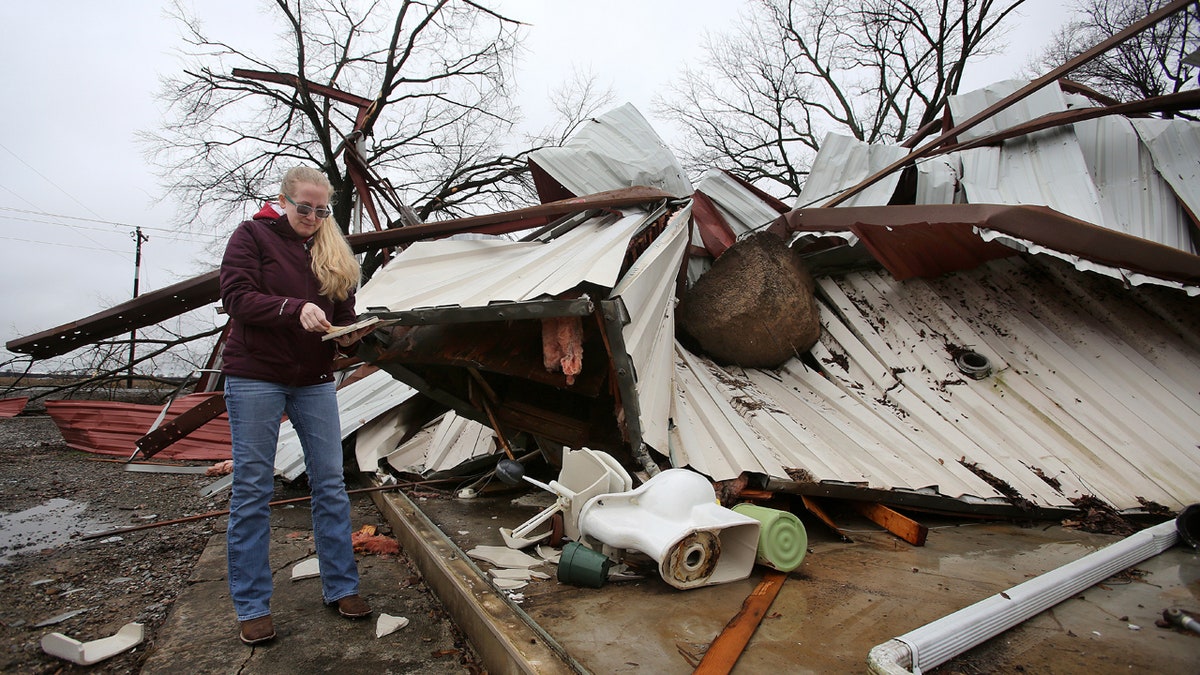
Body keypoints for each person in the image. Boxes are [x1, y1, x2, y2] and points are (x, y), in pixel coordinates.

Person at [219, 166, 373, 645]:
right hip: (255, 376)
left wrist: (357, 334)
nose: (311, 216)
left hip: (314, 380)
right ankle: (251, 605)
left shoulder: (332, 251)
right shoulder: (252, 236)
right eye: (303, 207)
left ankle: (342, 586)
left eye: (320, 209)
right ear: (283, 201)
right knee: (251, 488)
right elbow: (236, 297)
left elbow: (342, 316)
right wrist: (292, 307)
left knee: (330, 482)